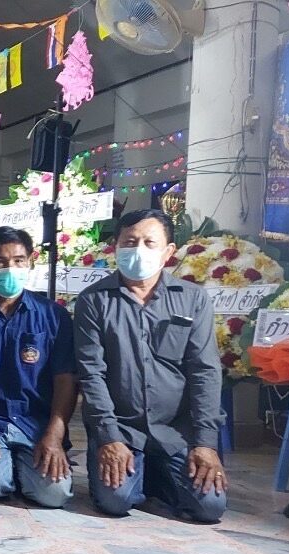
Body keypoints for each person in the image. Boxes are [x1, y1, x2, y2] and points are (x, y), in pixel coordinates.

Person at [75, 209, 228, 523]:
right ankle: (145, 476)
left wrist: (205, 443)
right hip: (123, 429)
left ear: (168, 251)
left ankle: (156, 475)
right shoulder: (94, 300)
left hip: (176, 431)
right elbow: (91, 374)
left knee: (209, 507)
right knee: (115, 501)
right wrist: (109, 437)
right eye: (130, 242)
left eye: (149, 242)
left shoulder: (193, 299)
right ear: (116, 246)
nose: (138, 250)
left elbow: (204, 371)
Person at [0, 227, 76, 508]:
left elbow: (65, 379)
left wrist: (54, 435)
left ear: (31, 262)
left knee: (54, 494)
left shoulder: (53, 315)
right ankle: (8, 471)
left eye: (18, 260)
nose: (10, 269)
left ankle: (21, 468)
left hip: (35, 425)